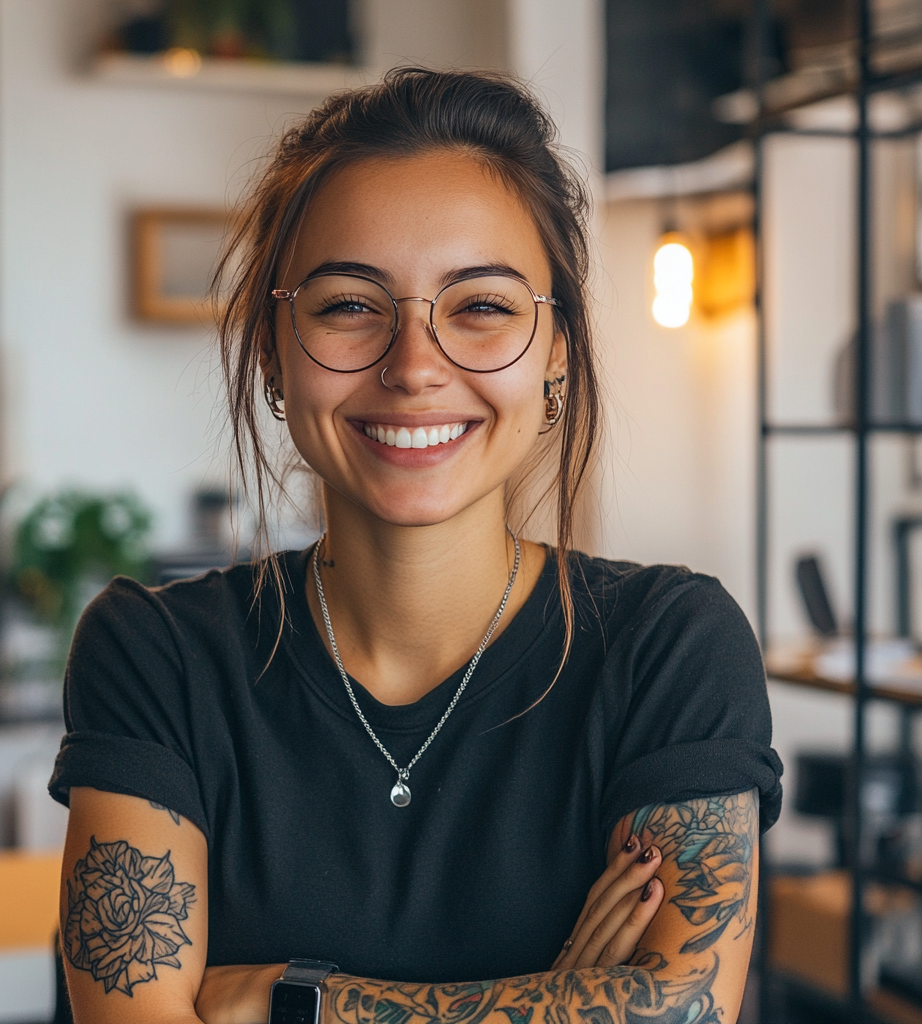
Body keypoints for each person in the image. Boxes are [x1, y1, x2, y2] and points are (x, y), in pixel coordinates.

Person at [49, 68, 782, 1024]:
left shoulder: (670, 648)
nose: (414, 366)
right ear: (274, 348)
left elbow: (678, 1011)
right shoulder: (155, 656)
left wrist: (291, 1000)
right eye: (350, 304)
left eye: (481, 305)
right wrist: (558, 1001)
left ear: (556, 350)